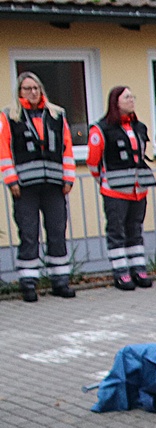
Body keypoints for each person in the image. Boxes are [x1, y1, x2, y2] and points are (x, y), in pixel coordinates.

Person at [1, 71, 75, 302]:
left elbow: (67, 148)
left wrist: (69, 178)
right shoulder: (9, 116)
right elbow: (4, 151)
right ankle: (29, 283)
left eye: (36, 88)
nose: (32, 92)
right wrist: (11, 180)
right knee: (29, 233)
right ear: (19, 92)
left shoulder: (56, 115)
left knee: (57, 232)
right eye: (27, 89)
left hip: (54, 184)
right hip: (24, 186)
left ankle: (60, 281)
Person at [88, 86, 156, 291]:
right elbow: (93, 161)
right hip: (115, 190)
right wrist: (103, 180)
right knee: (116, 230)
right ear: (115, 102)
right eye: (127, 97)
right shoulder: (101, 129)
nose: (131, 100)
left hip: (138, 189)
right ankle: (121, 272)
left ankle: (138, 269)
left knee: (135, 229)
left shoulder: (140, 127)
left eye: (132, 96)